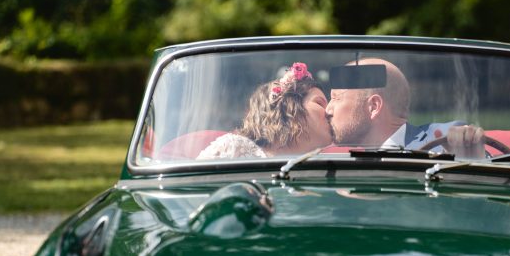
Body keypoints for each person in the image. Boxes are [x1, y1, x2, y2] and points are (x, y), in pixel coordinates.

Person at [325, 58, 485, 157]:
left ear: (373, 107)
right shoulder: (342, 162)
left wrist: (469, 160)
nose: (328, 110)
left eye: (336, 98)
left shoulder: (444, 139)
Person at [197, 62, 333, 160]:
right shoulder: (233, 149)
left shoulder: (329, 165)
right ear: (288, 107)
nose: (330, 111)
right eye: (319, 103)